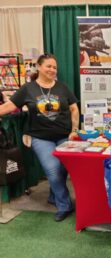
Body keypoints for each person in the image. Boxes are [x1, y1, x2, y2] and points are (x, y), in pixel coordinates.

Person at [0, 53, 79, 222]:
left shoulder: (62, 87)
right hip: (40, 137)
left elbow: (74, 109)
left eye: (55, 67)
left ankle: (54, 196)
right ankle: (65, 205)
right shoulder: (28, 89)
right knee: (52, 169)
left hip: (64, 137)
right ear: (39, 67)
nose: (52, 70)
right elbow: (9, 106)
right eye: (48, 66)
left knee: (63, 169)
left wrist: (74, 129)